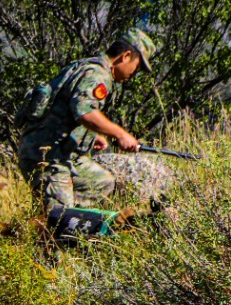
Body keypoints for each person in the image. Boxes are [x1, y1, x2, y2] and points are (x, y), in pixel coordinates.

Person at [16, 28, 156, 220]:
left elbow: (66, 109)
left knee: (102, 183)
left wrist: (92, 135)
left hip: (62, 155)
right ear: (125, 56)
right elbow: (84, 111)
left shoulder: (88, 67)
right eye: (137, 67)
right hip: (48, 157)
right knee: (59, 220)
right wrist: (120, 134)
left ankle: (56, 212)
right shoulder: (97, 74)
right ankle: (53, 219)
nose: (134, 73)